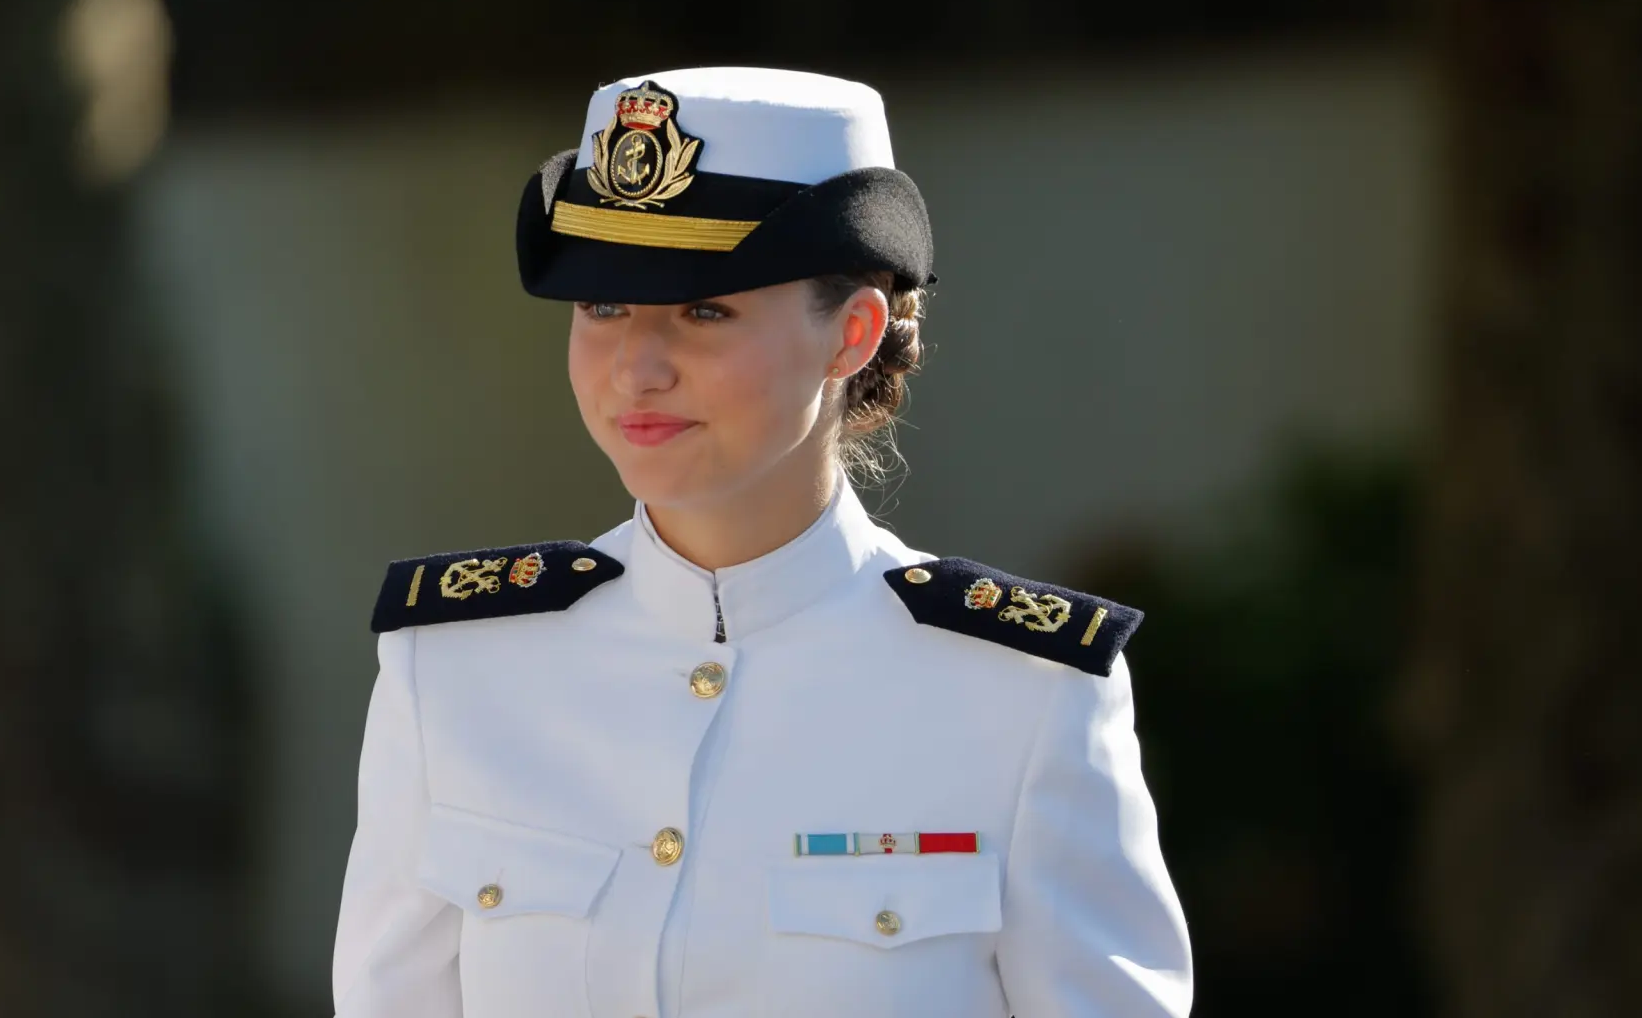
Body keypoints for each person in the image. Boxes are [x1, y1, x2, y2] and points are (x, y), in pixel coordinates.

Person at [331, 67, 1192, 1018]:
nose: (637, 369)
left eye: (705, 311)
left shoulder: (1029, 698)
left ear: (853, 333)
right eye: (601, 306)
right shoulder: (454, 672)